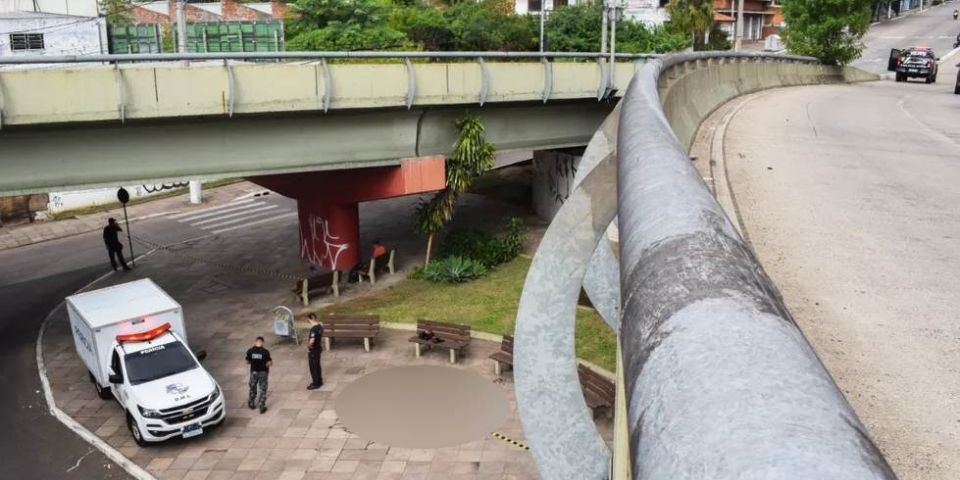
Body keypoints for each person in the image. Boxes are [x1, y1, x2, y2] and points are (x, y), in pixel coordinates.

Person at [245, 336, 272, 413]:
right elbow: (269, 363)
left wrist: (254, 362)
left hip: (254, 372)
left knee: (252, 387)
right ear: (262, 343)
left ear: (255, 342)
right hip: (263, 372)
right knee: (263, 389)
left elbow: (247, 361)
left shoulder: (250, 351)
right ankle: (261, 405)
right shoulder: (265, 352)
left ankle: (251, 402)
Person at [306, 313, 324, 390]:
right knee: (317, 366)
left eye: (308, 319)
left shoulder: (313, 329)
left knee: (313, 367)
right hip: (319, 348)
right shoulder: (320, 326)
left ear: (311, 319)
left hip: (313, 350)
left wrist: (308, 346)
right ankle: (319, 381)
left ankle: (316, 383)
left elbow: (312, 340)